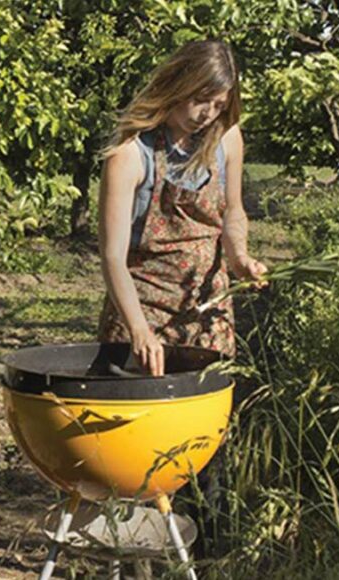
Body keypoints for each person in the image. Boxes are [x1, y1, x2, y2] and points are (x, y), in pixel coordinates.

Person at [97, 40, 268, 376]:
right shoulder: (130, 154)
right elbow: (112, 256)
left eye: (218, 105)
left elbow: (232, 211)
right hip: (144, 315)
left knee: (202, 423)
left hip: (206, 315)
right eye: (200, 100)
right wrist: (138, 330)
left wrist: (239, 256)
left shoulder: (227, 138)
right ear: (177, 85)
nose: (207, 114)